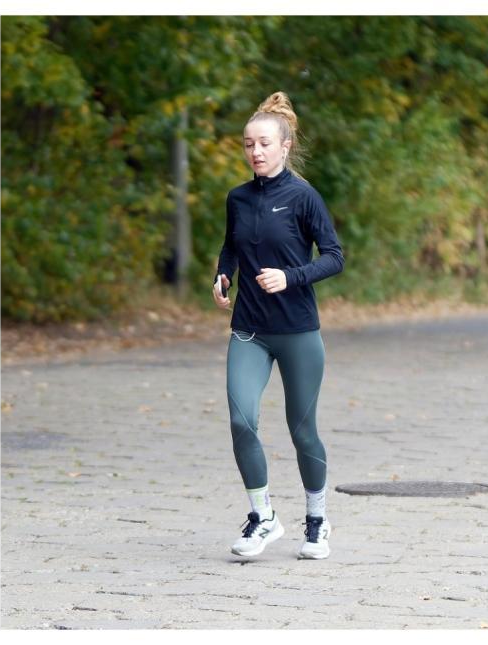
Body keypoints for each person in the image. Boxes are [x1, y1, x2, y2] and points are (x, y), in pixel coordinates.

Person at [212, 91, 344, 560]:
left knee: (302, 430)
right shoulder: (238, 198)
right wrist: (223, 274)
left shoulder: (303, 197)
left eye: (265, 144)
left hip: (297, 331)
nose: (256, 152)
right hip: (249, 328)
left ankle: (317, 519)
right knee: (240, 419)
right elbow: (232, 246)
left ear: (285, 146)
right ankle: (263, 516)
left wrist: (291, 277)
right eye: (249, 144)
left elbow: (334, 257)